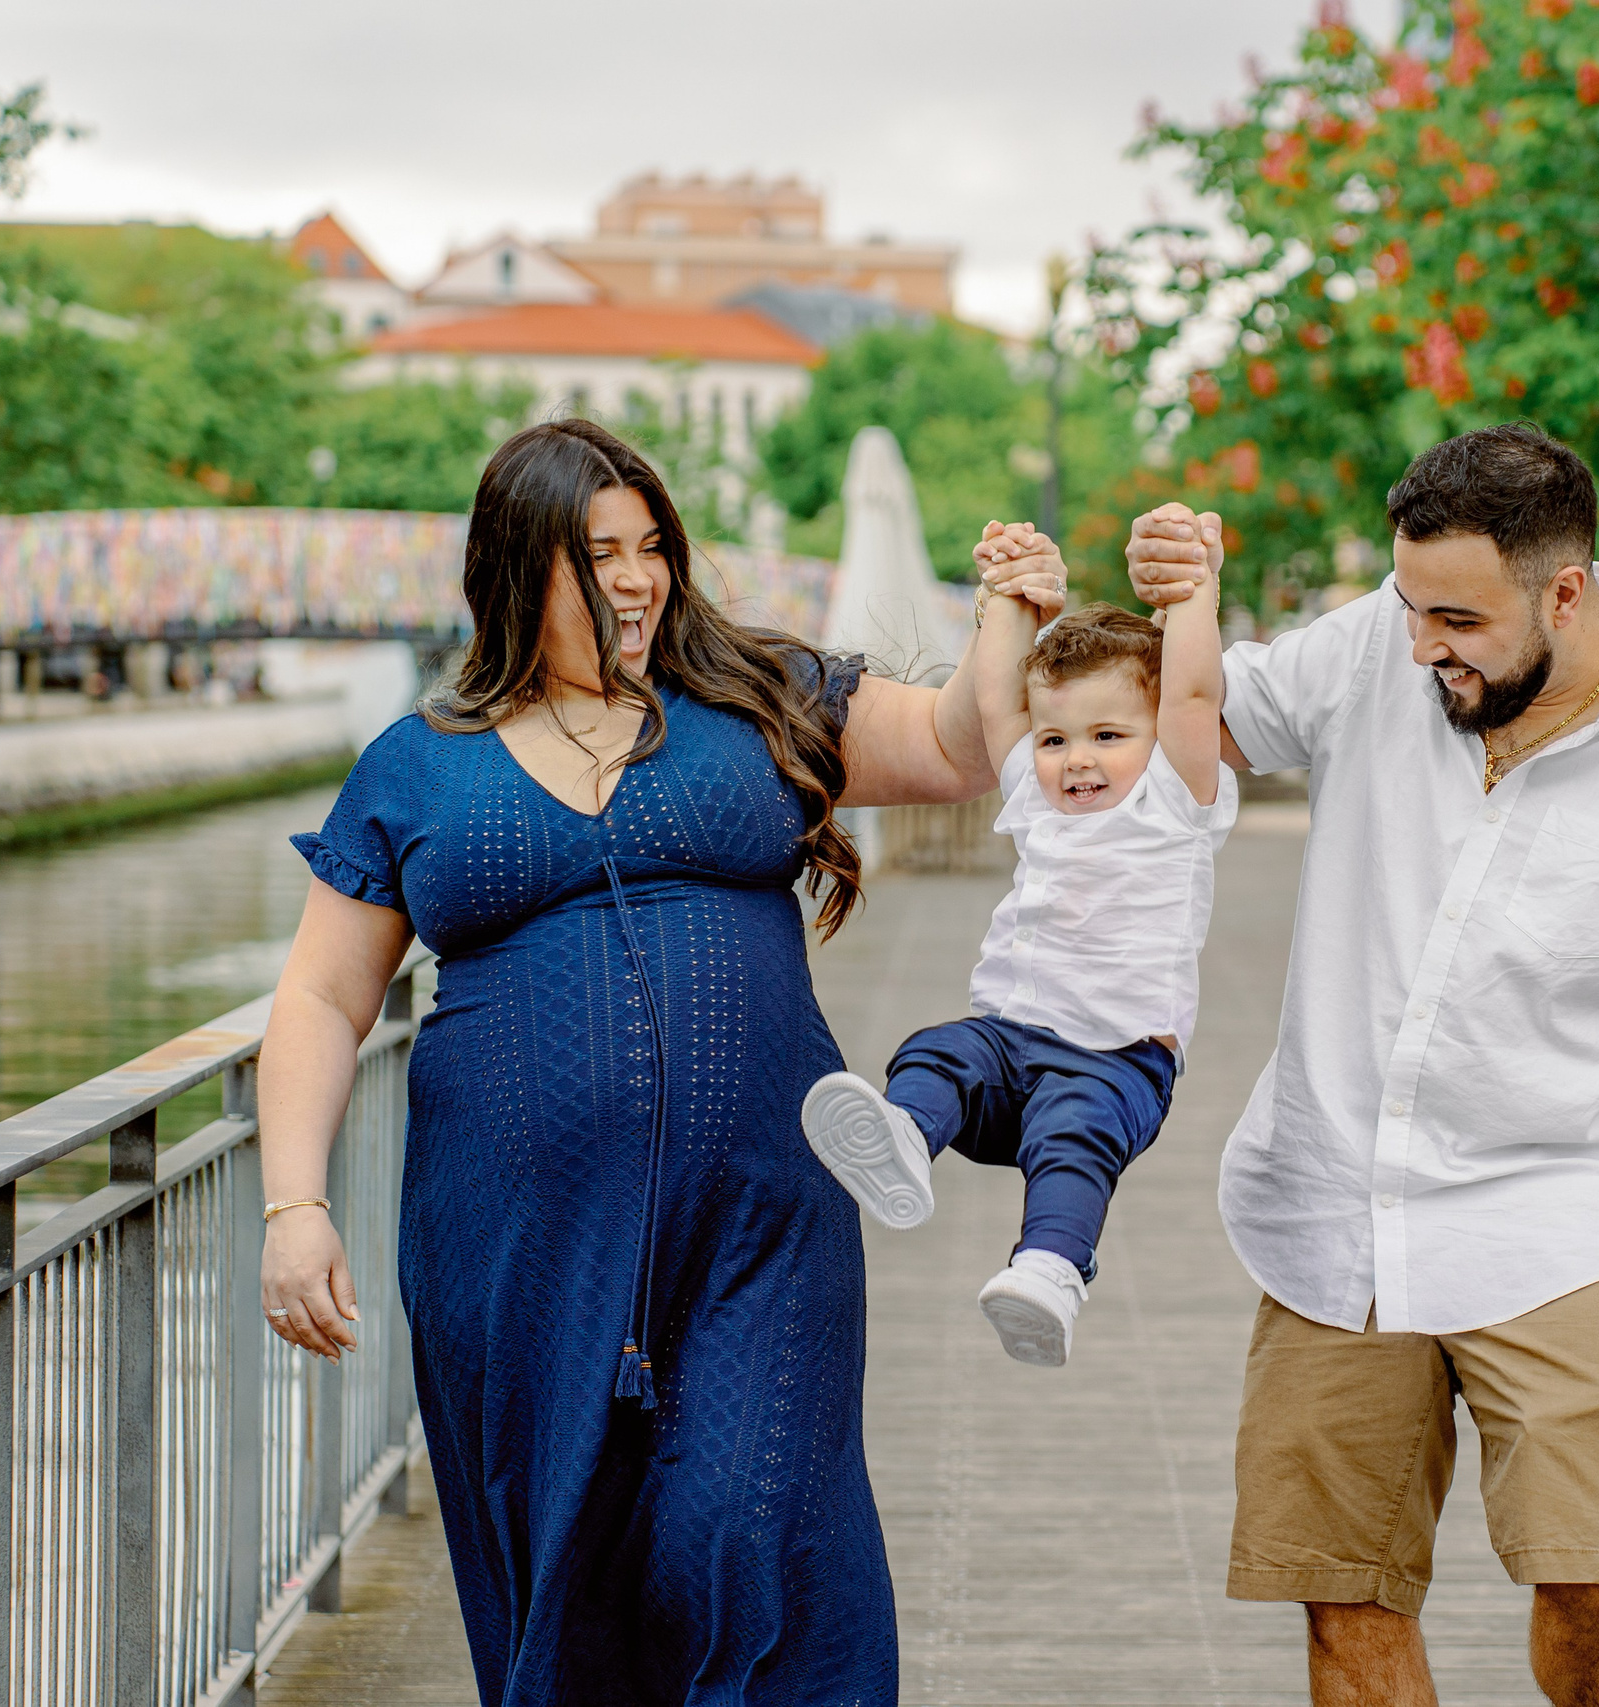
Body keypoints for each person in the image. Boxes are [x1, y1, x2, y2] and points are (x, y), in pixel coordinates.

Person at [254, 420, 1055, 1706]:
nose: (635, 580)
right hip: (515, 1247)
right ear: (516, 571)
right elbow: (318, 996)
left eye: (649, 549)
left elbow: (964, 746)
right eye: (595, 556)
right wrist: (295, 1208)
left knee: (742, 1531)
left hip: (759, 1226)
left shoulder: (763, 696)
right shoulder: (416, 764)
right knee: (567, 1575)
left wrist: (1002, 617)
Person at [1128, 423, 1599, 1707]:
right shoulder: (1385, 637)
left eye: (1458, 620)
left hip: (1551, 1221)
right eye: (1410, 606)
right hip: (1332, 1211)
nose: (1423, 645)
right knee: (1344, 1590)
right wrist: (1176, 592)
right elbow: (1206, 723)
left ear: (1564, 593)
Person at [801, 517, 1236, 1367]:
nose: (1078, 760)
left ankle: (1049, 1271)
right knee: (934, 1050)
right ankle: (903, 1138)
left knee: (1072, 1139)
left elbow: (1190, 696)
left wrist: (1193, 589)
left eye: (1109, 736)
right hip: (1008, 1048)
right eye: (1058, 739)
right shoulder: (1037, 797)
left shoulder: (1174, 800)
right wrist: (1005, 597)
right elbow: (998, 702)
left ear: (1152, 742)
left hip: (1115, 1062)